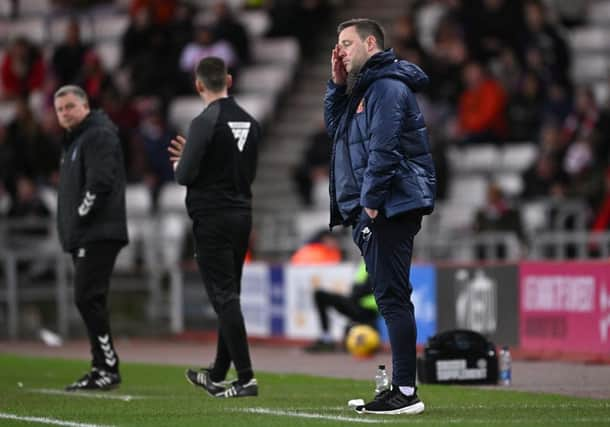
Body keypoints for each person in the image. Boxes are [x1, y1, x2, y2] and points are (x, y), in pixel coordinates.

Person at [325, 18, 435, 415]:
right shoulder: (365, 88)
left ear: (371, 43)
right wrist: (336, 86)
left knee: (392, 298)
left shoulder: (387, 87)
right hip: (376, 207)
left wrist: (370, 205)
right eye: (337, 45)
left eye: (347, 44)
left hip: (389, 205)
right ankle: (401, 387)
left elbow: (383, 148)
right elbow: (336, 131)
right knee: (390, 297)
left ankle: (405, 392)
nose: (341, 51)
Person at [168, 57, 259, 398]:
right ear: (230, 80)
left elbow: (184, 176)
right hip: (241, 215)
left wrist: (182, 160)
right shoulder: (251, 122)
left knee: (224, 297)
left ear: (198, 85)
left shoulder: (204, 121)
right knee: (230, 294)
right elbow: (244, 172)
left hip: (212, 217)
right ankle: (219, 371)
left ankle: (246, 377)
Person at [54, 85, 128, 391]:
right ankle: (103, 366)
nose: (65, 113)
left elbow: (99, 183)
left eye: (70, 106)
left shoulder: (97, 135)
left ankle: (106, 367)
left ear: (85, 105)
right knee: (90, 298)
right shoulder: (77, 140)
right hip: (88, 233)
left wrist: (79, 218)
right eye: (59, 109)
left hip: (98, 232)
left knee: (87, 297)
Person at [304, 261, 378, 353]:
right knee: (319, 295)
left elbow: (371, 291)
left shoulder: (379, 262)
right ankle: (326, 338)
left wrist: (356, 297)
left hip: (368, 311)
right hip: (356, 305)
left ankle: (329, 339)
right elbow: (357, 288)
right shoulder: (365, 261)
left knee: (320, 295)